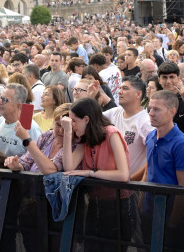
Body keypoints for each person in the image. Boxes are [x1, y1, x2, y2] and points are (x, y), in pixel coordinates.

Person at [61, 98, 134, 251]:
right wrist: (68, 133)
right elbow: (68, 167)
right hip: (96, 204)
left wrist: (90, 173)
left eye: (74, 121)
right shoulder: (85, 139)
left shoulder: (111, 134)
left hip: (119, 205)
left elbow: (123, 175)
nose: (72, 125)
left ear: (86, 119)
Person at [142, 90, 184, 249]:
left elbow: (183, 189)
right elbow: (148, 170)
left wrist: (172, 222)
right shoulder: (151, 136)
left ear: (172, 112)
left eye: (156, 109)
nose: (151, 113)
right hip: (150, 211)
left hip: (170, 216)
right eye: (150, 108)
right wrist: (140, 204)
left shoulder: (182, 144)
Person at [103, 76, 153, 179]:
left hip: (131, 187)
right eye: (120, 88)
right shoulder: (114, 112)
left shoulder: (145, 122)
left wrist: (132, 180)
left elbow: (154, 156)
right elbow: (90, 119)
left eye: (125, 88)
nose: (120, 92)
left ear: (138, 94)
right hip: (110, 183)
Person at [4, 103, 73, 174]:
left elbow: (50, 170)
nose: (61, 131)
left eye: (66, 127)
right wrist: (16, 165)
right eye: (58, 125)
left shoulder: (74, 145)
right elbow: (26, 162)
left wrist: (27, 140)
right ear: (53, 123)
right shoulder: (47, 136)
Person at [0, 84, 42, 157]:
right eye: (0, 98)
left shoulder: (31, 129)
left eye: (5, 100)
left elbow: (37, 159)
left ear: (18, 106)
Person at [157, 61, 184, 141]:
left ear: (178, 78)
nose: (168, 81)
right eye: (164, 77)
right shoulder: (156, 101)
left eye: (172, 77)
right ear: (159, 80)